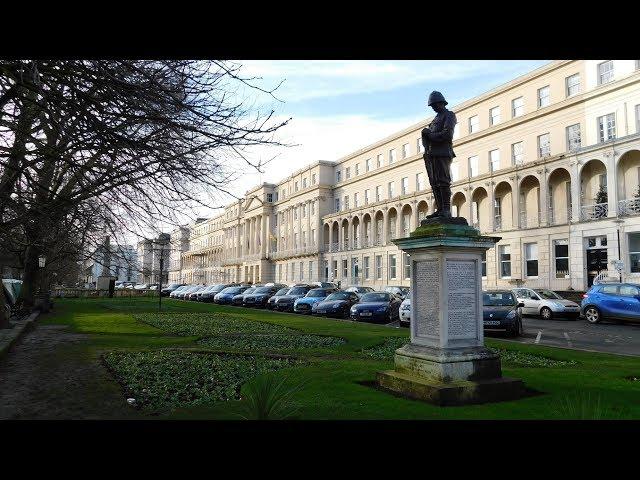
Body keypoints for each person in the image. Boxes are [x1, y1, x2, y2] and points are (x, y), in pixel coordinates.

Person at [421, 91, 457, 219]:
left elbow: (447, 135)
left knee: (443, 181)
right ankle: (440, 209)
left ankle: (446, 209)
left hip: (443, 153)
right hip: (432, 155)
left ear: (441, 103)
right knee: (435, 182)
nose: (433, 108)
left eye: (435, 105)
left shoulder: (449, 115)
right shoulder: (435, 119)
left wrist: (429, 134)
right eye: (432, 106)